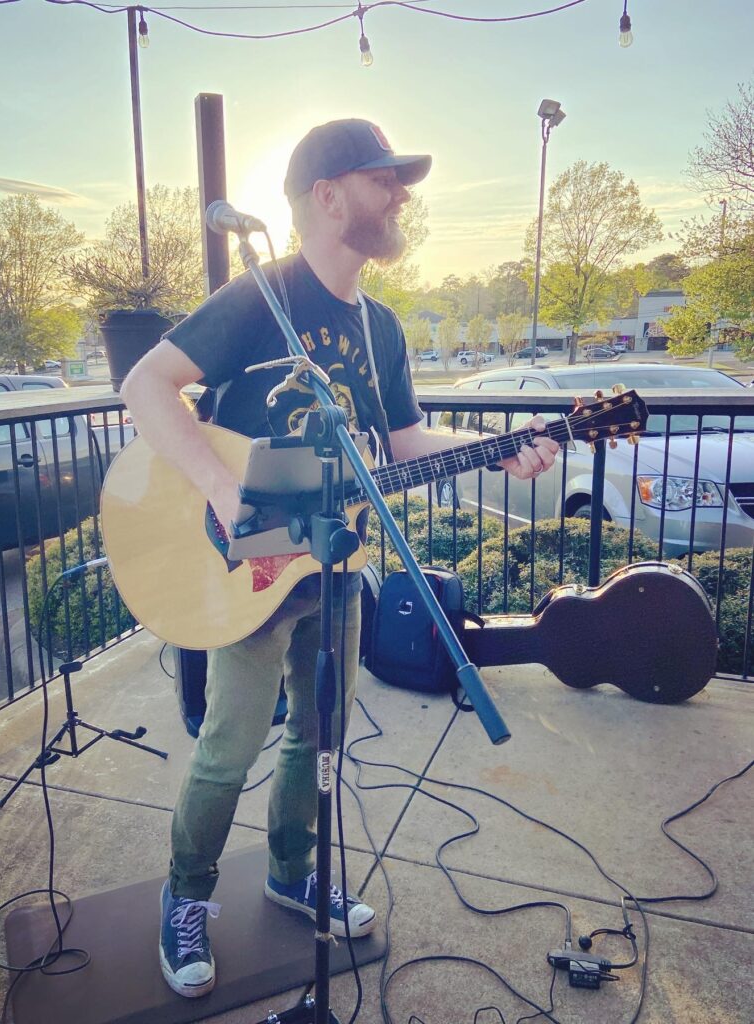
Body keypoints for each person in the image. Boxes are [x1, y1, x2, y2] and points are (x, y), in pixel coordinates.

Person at [121, 118, 560, 999]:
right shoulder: (259, 294)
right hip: (246, 558)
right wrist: (217, 485)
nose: (401, 194)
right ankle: (187, 892)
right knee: (230, 745)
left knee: (316, 737)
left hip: (339, 558)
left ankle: (291, 872)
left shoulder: (383, 327)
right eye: (381, 179)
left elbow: (399, 445)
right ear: (326, 197)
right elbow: (144, 385)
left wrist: (496, 445)